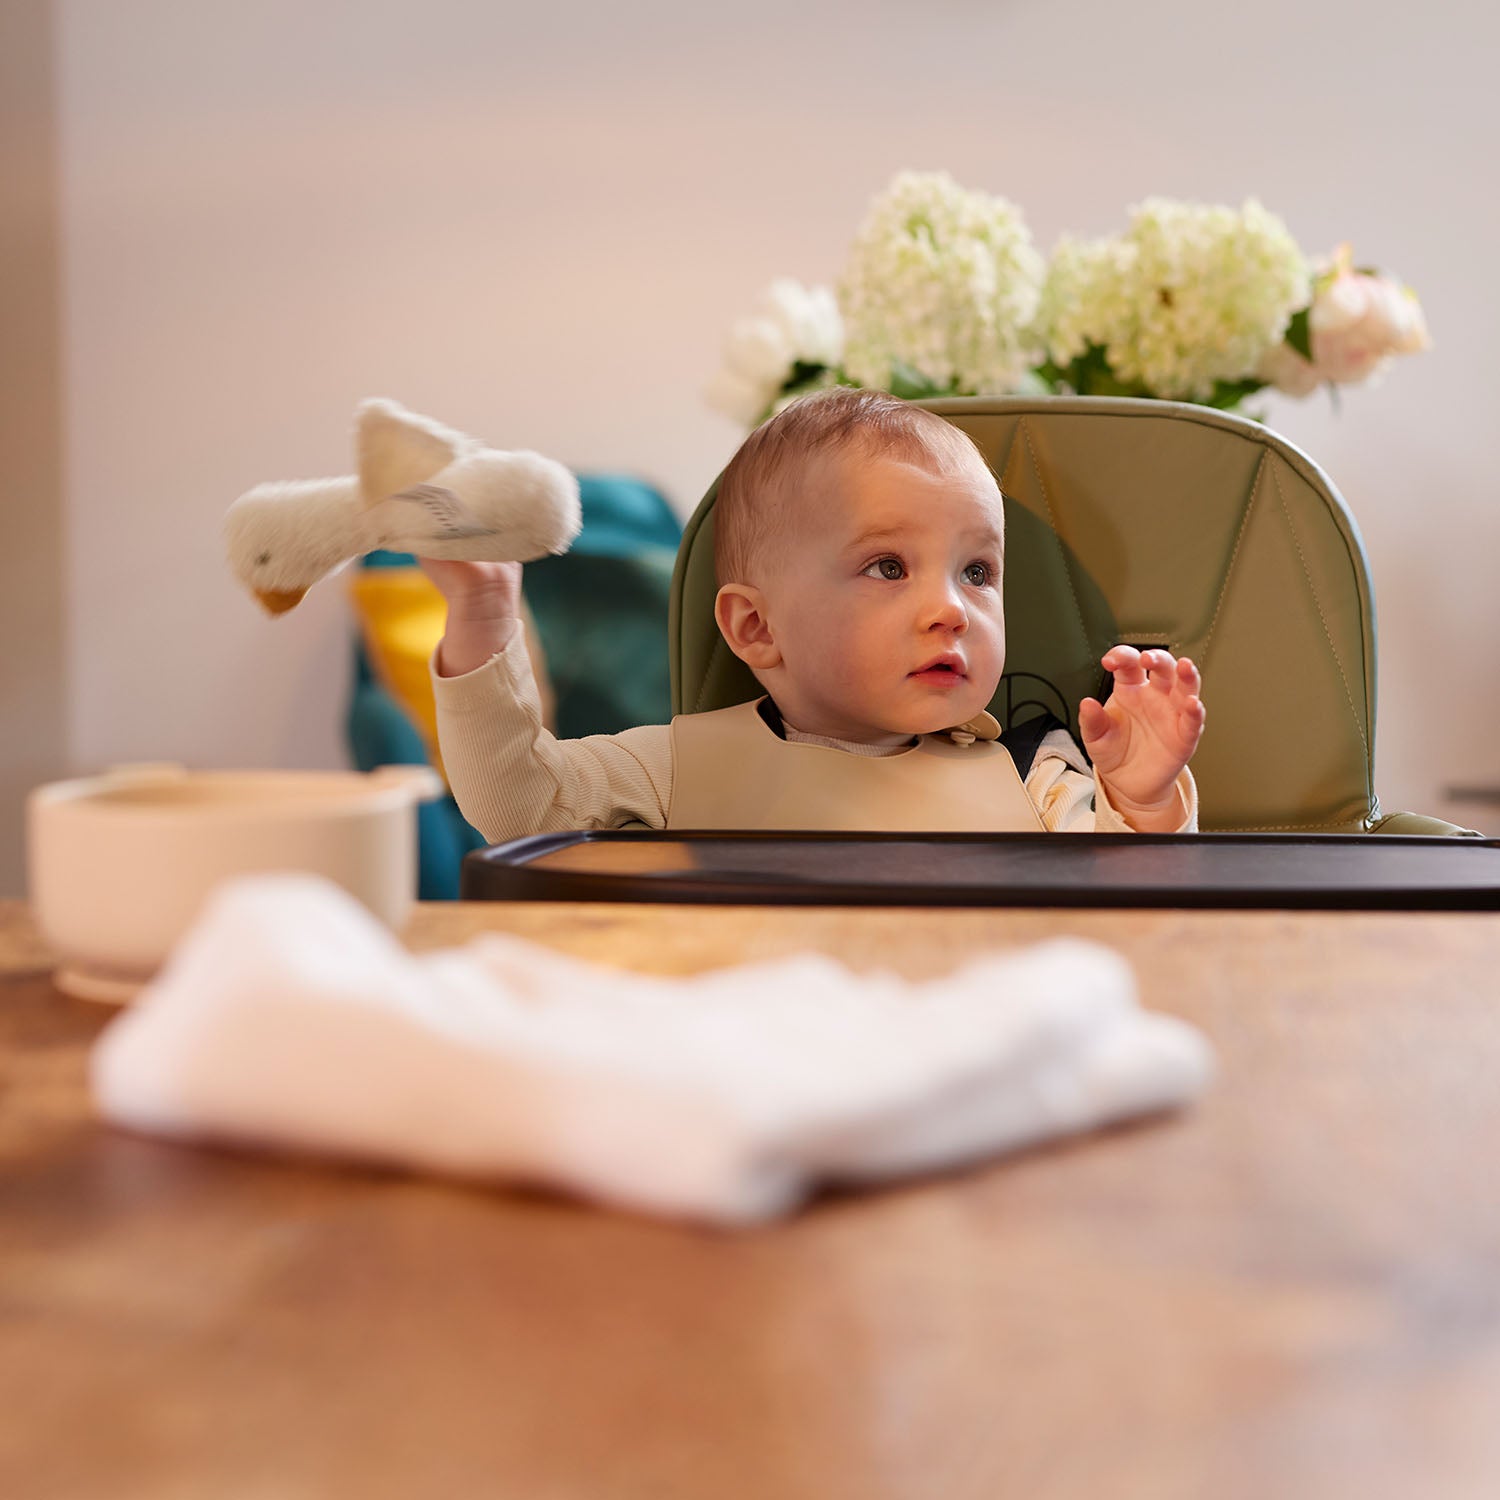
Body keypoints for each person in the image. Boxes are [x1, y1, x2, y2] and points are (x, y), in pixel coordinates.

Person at [422, 388, 1205, 840]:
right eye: (888, 567)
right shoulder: (676, 769)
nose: (951, 609)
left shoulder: (1035, 775)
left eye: (977, 572)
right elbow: (519, 808)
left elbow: (1124, 914)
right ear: (756, 629)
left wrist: (1139, 801)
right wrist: (485, 612)